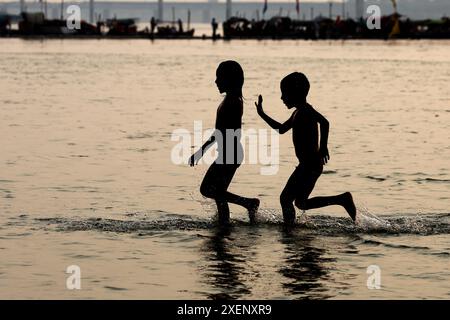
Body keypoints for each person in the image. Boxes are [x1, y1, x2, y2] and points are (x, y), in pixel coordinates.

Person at [255, 72, 356, 225]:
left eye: (284, 94)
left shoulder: (306, 110)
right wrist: (262, 114)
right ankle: (342, 199)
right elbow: (281, 129)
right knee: (300, 202)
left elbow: (325, 122)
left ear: (294, 93)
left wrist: (323, 147)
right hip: (308, 165)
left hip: (310, 165)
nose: (282, 98)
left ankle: (289, 229)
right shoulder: (297, 112)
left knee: (285, 199)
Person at [189, 61, 260, 224]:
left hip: (231, 154)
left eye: (219, 78)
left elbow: (220, 133)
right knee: (218, 193)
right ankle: (224, 224)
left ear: (229, 80)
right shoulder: (230, 100)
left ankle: (248, 204)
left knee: (208, 189)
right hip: (229, 153)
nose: (216, 81)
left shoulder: (232, 102)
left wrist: (200, 152)